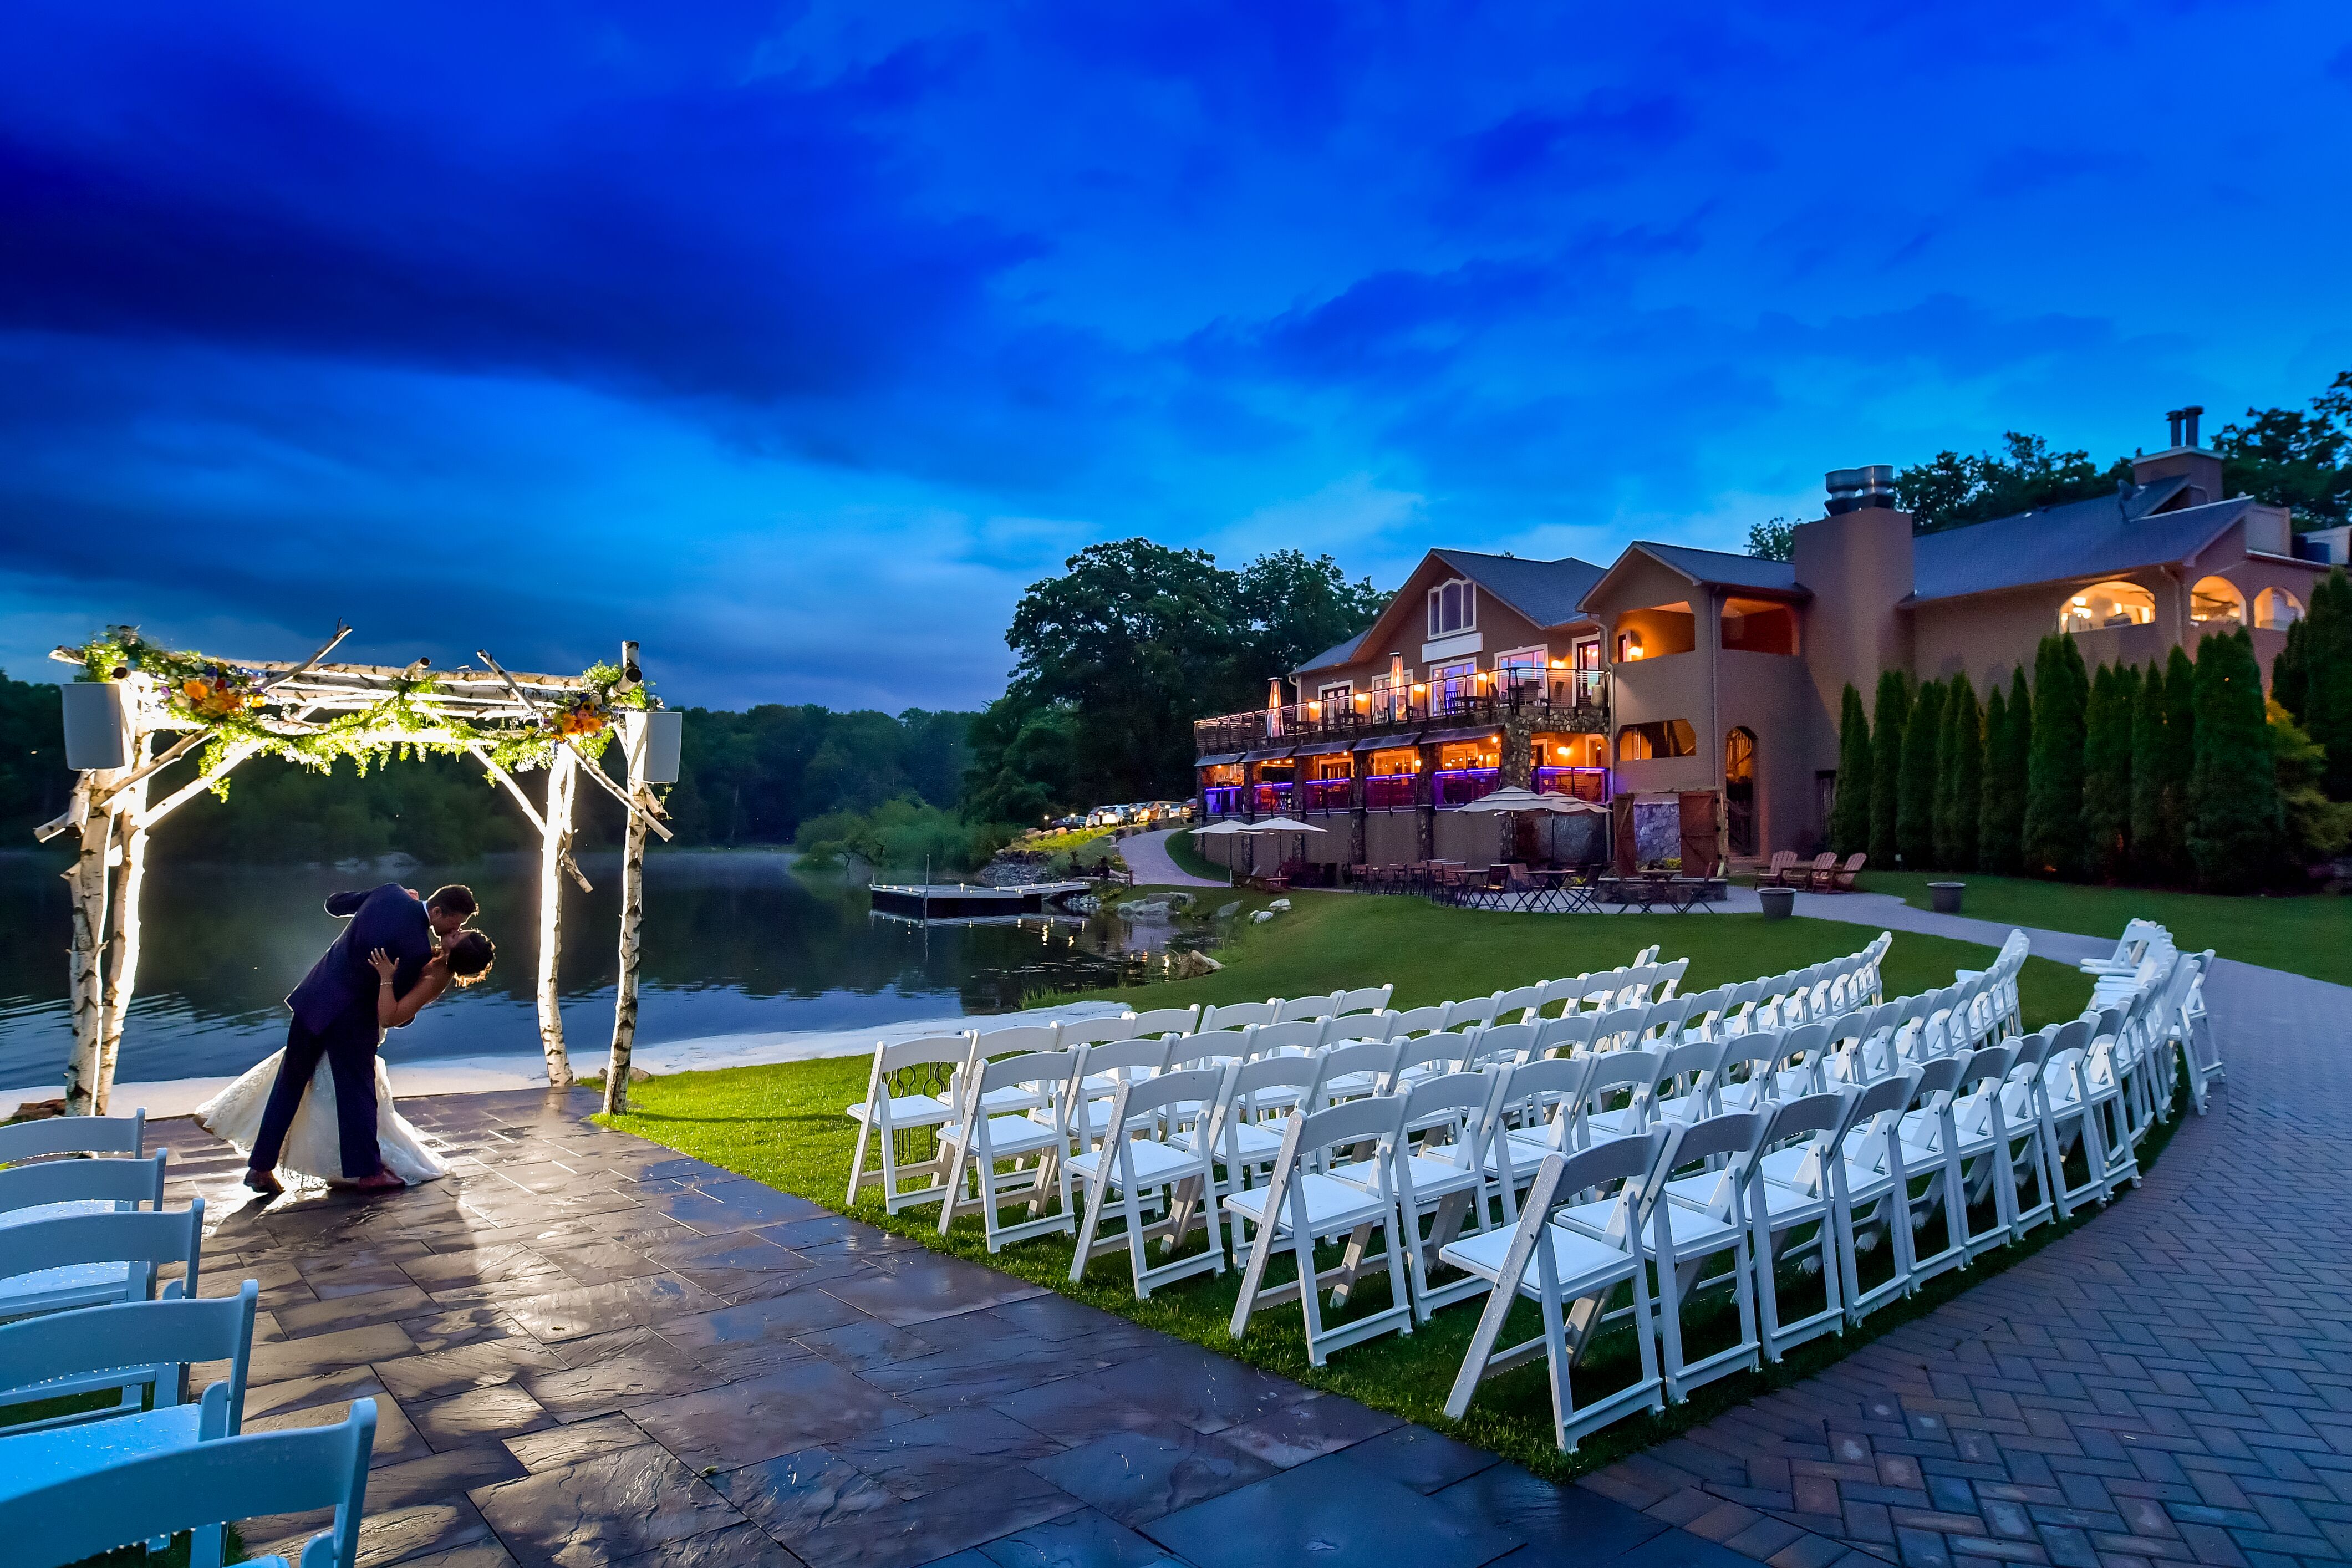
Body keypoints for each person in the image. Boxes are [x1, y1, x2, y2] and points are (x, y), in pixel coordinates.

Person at [202, 884, 493, 1194]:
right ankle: (368, 1173)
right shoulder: (418, 950)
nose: (456, 928)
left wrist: (377, 905)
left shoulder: (389, 894)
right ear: (437, 912)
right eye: (456, 923)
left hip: (316, 996)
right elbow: (397, 1013)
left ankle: (260, 1168)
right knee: (358, 1093)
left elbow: (334, 904)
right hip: (353, 1022)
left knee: (290, 1083)